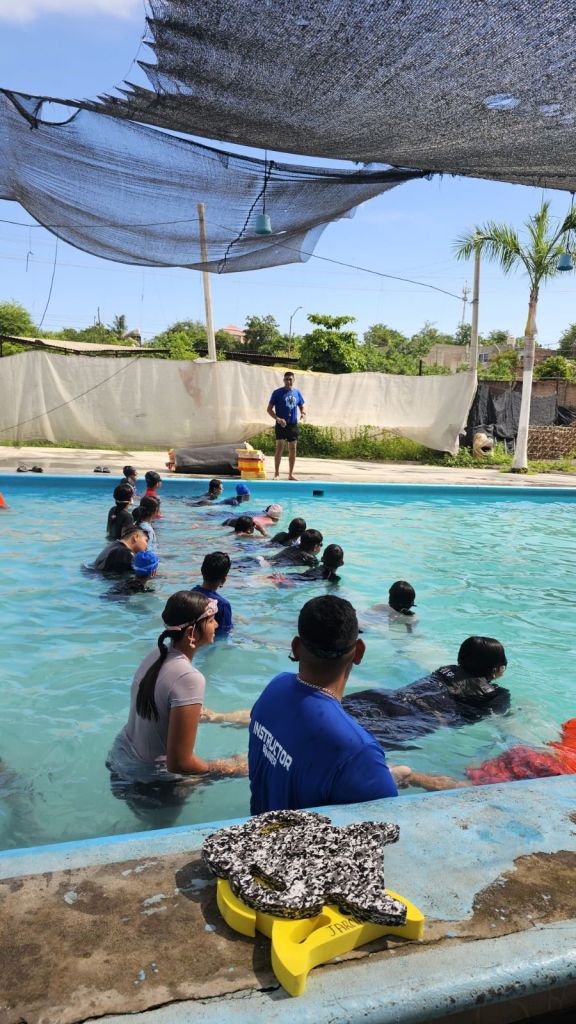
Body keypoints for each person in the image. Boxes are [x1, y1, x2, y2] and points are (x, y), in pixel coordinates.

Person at [249, 595, 408, 814]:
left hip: (258, 828)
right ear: (359, 652)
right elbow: (388, 822)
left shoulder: (275, 688)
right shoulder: (359, 751)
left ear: (296, 647)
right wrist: (373, 775)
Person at [106, 591, 248, 792]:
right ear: (191, 633)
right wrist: (227, 768)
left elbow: (162, 707)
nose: (216, 625)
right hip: (153, 784)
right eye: (211, 621)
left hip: (120, 761)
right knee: (244, 766)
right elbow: (179, 764)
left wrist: (218, 717)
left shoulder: (156, 654)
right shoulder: (189, 678)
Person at [342, 636, 510, 750]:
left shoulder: (447, 670)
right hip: (415, 719)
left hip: (388, 698)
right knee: (354, 745)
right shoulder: (495, 695)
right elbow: (462, 723)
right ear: (496, 669)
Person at [267, 370, 306, 480]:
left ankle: (290, 474)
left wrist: (303, 413)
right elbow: (269, 409)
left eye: (290, 379)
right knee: (279, 448)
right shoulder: (277, 393)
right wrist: (278, 419)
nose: (288, 381)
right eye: (286, 379)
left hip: (292, 425)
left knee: (293, 449)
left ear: (294, 380)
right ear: (283, 380)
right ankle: (276, 474)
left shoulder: (297, 392)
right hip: (281, 425)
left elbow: (302, 405)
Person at [191, 551, 233, 636]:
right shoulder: (223, 605)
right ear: (224, 580)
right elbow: (224, 635)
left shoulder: (191, 594)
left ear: (202, 571)